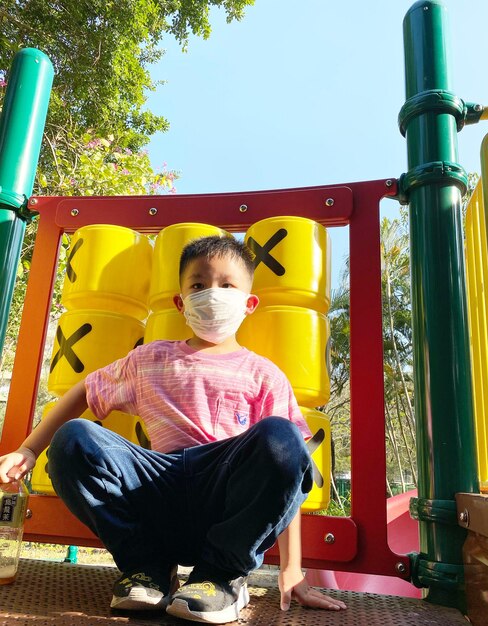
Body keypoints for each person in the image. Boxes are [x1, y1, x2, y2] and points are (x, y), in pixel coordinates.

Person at [0, 234, 346, 624]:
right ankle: (146, 567)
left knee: (282, 437)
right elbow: (86, 389)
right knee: (74, 440)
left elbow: (287, 469)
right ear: (181, 302)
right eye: (198, 285)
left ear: (249, 304)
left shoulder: (264, 374)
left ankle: (220, 575)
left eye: (226, 285)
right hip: (156, 490)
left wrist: (292, 568)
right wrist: (28, 449)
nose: (212, 294)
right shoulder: (149, 359)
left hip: (222, 497)